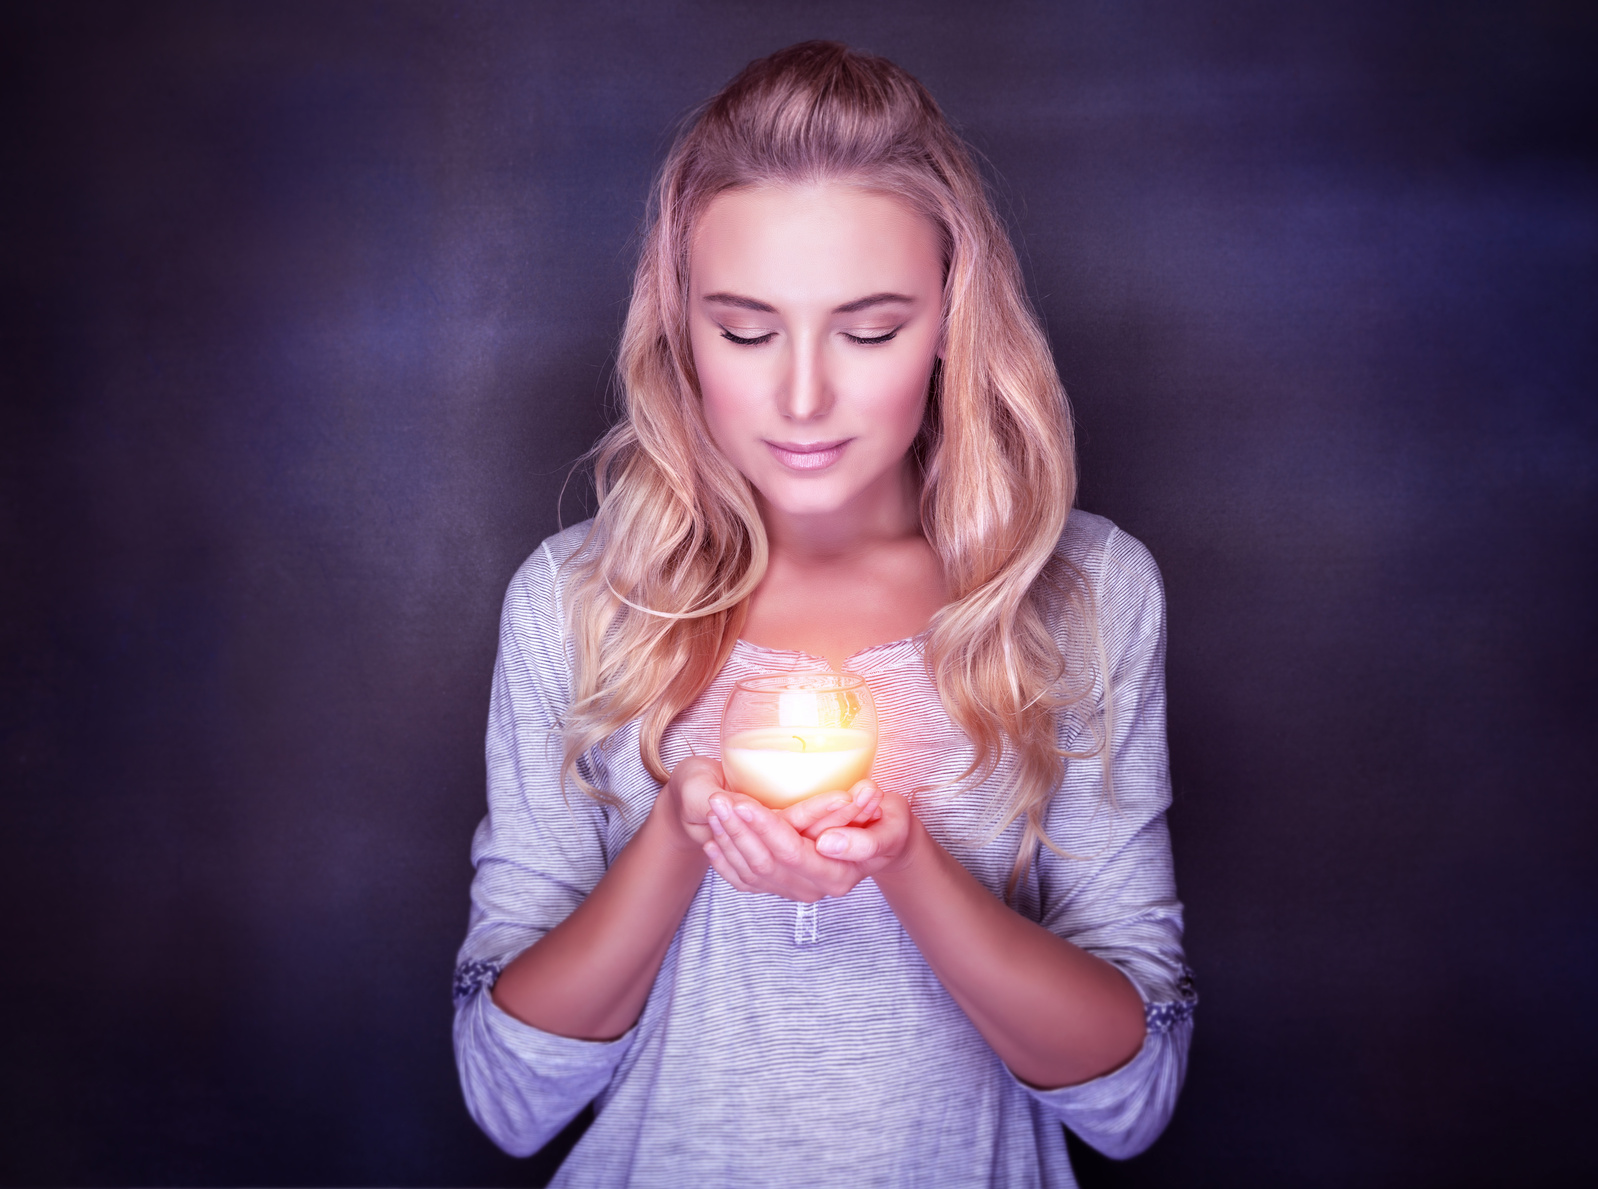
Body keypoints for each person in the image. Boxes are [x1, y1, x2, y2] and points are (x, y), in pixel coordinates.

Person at [453, 41, 1194, 1188]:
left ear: (951, 316)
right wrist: (680, 833)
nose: (802, 395)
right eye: (745, 331)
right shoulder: (579, 604)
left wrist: (904, 860)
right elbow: (508, 1099)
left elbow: (1130, 1099)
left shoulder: (1084, 598)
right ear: (679, 327)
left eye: (868, 328)